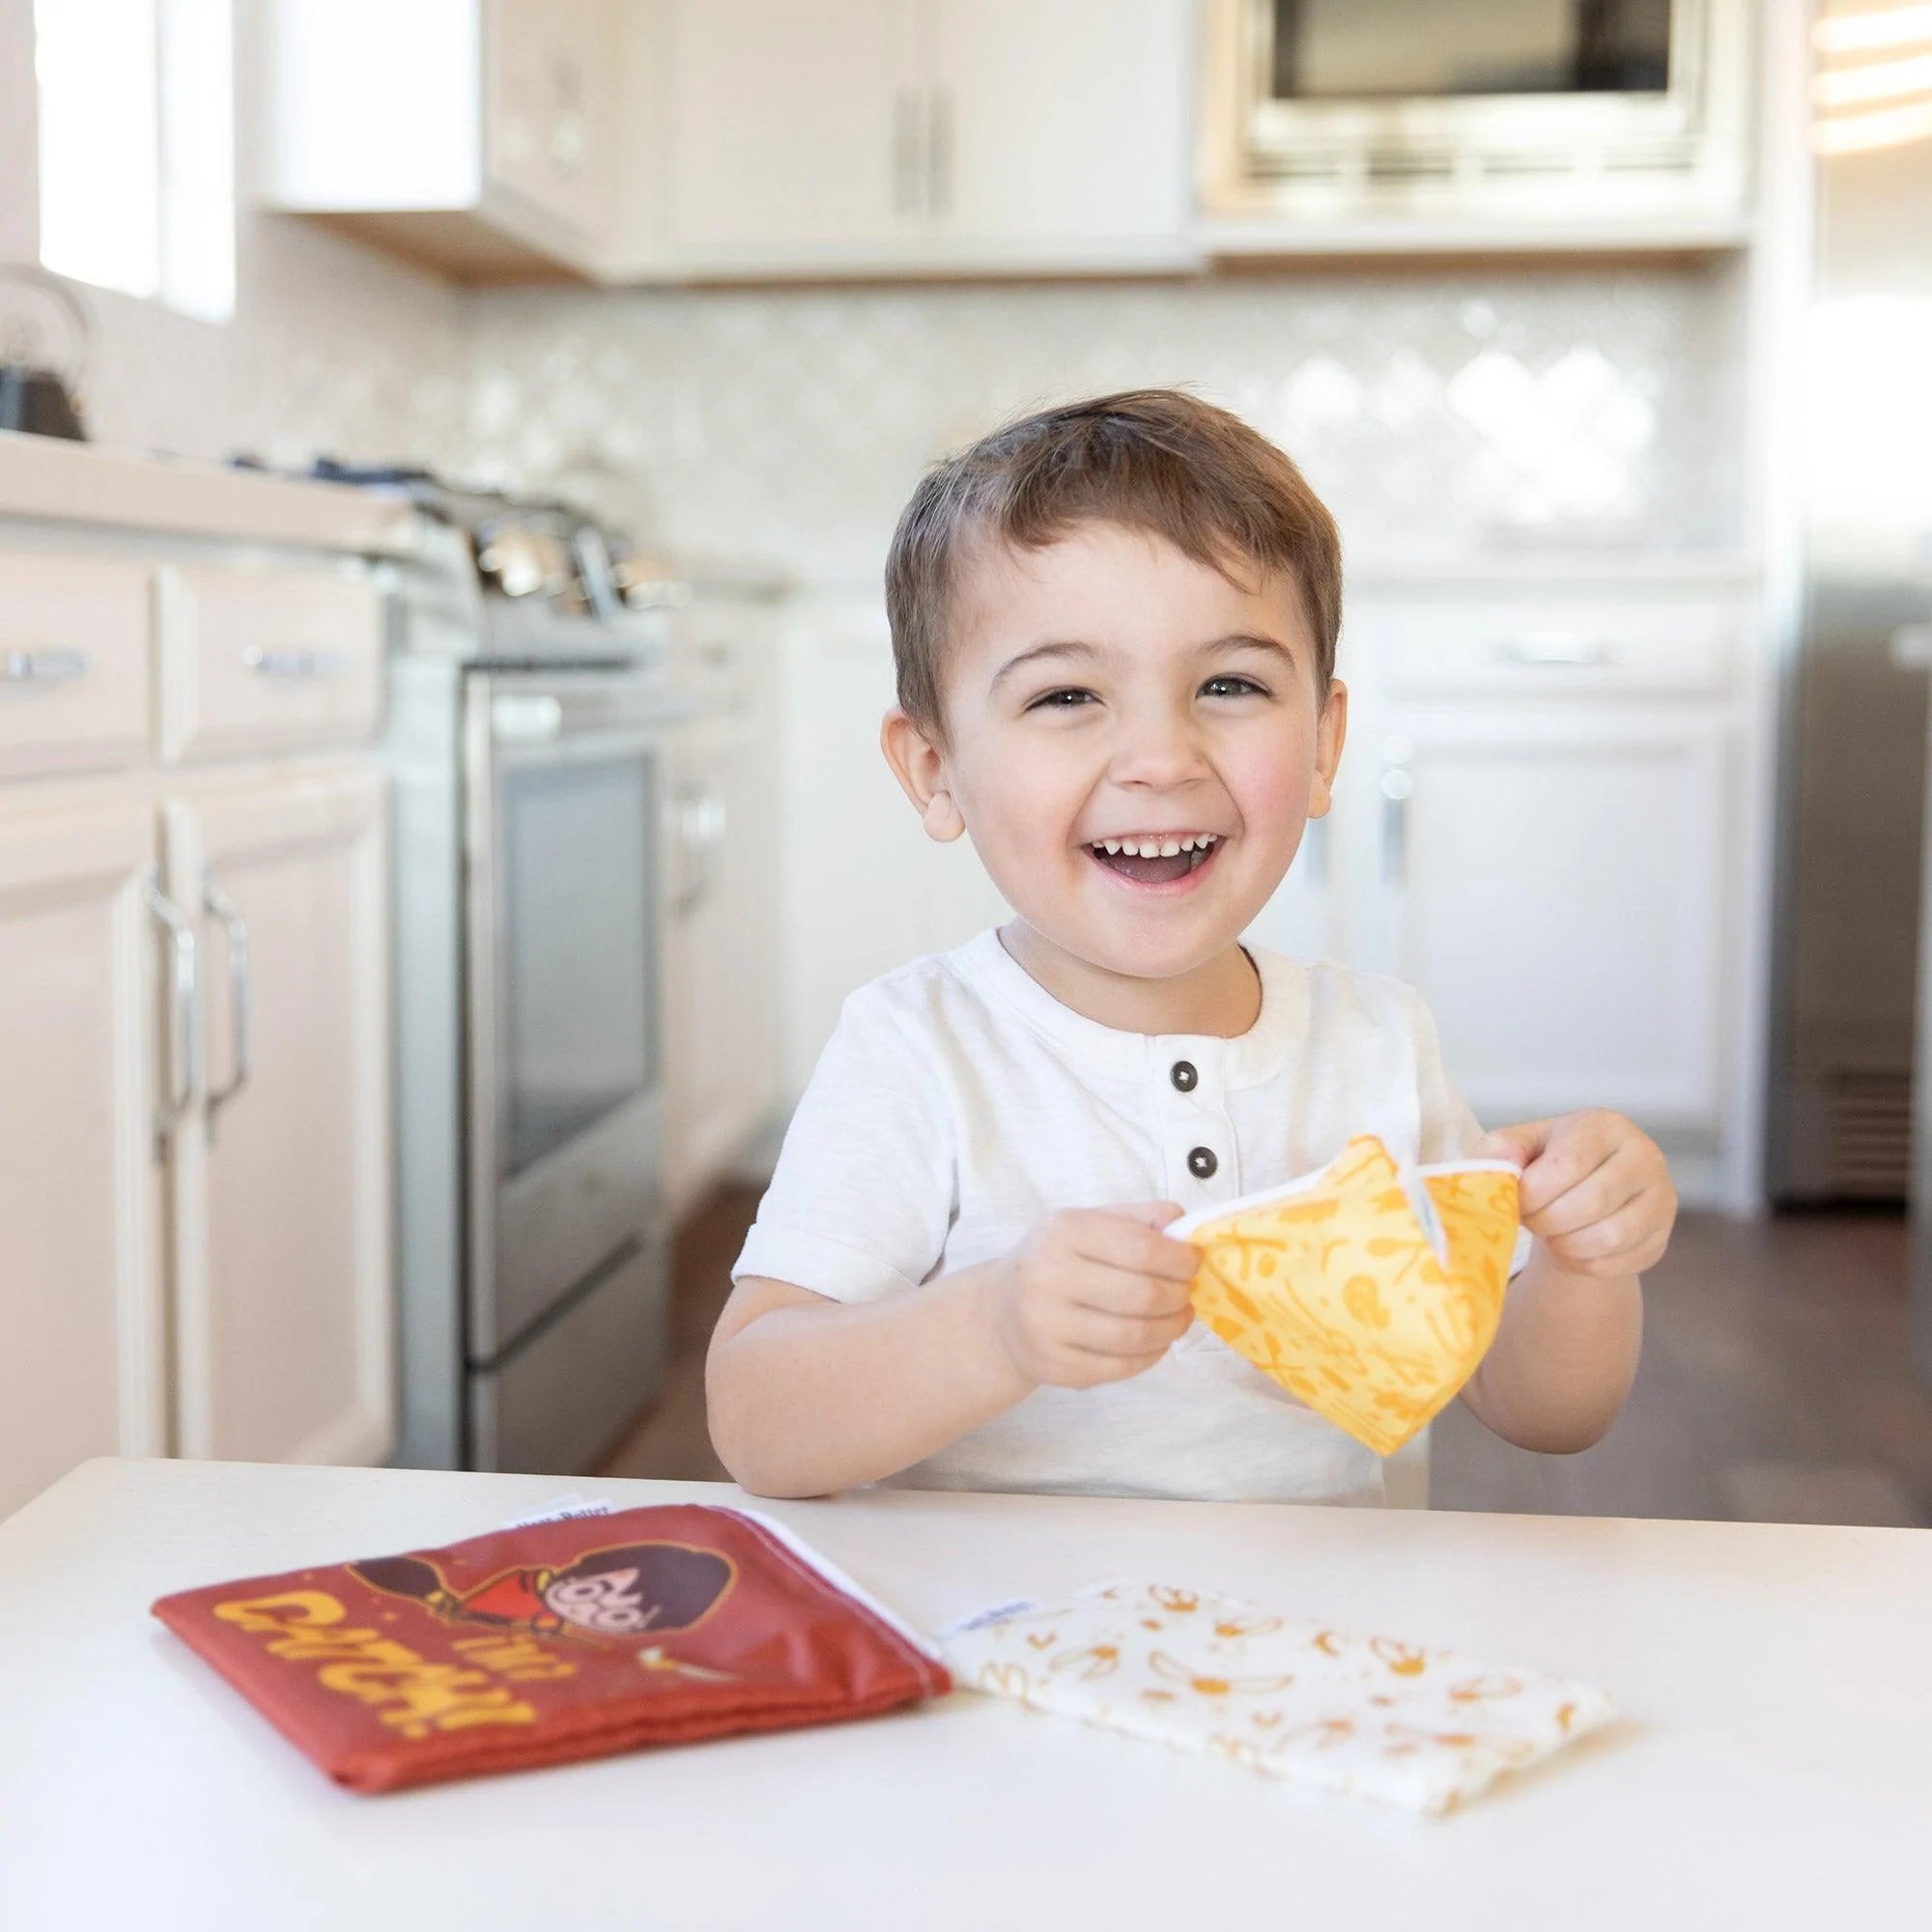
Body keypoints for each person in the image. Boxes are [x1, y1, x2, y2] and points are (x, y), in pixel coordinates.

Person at [706, 388, 1675, 1506]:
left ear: (1322, 743)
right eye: (1066, 694)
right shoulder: (918, 1049)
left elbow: (1542, 1412)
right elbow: (758, 1418)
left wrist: (1582, 1259)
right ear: (934, 769)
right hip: (1009, 1646)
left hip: (1320, 1647)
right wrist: (993, 1322)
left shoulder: (1376, 1043)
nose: (1159, 758)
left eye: (1228, 685)